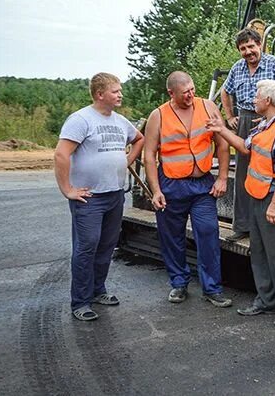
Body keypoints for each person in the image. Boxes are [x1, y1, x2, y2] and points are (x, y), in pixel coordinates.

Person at [207, 79, 275, 327]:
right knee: (259, 252)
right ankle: (266, 300)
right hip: (259, 196)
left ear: (268, 101)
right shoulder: (264, 127)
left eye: (257, 96)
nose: (253, 100)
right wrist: (221, 129)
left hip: (273, 199)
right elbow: (245, 148)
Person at [54, 72, 144, 322]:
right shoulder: (81, 119)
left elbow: (139, 139)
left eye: (120, 90)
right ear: (99, 94)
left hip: (114, 194)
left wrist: (126, 161)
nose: (120, 94)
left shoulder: (120, 121)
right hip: (89, 198)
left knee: (106, 246)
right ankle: (80, 302)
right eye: (115, 91)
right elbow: (61, 155)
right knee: (86, 248)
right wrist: (67, 189)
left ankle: (98, 290)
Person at [142, 72, 232, 308]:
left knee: (208, 231)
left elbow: (222, 145)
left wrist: (222, 178)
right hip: (171, 185)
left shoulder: (208, 107)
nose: (191, 95)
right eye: (185, 93)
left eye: (192, 89)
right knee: (171, 237)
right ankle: (179, 283)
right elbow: (149, 155)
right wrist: (156, 190)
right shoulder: (158, 116)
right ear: (171, 93)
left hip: (202, 183)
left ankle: (212, 288)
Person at [221, 27, 275, 241]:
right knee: (244, 175)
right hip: (244, 119)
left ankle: (266, 225)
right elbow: (226, 91)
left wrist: (272, 118)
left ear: (259, 45)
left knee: (269, 173)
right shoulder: (237, 68)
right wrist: (230, 116)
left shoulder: (274, 63)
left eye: (251, 46)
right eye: (243, 48)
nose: (247, 51)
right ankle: (242, 226)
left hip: (269, 121)